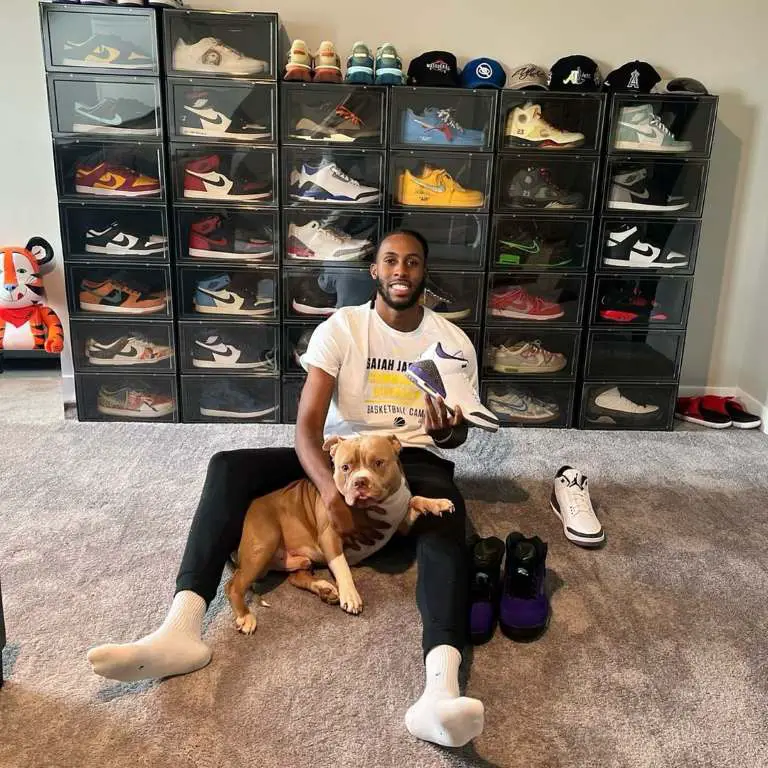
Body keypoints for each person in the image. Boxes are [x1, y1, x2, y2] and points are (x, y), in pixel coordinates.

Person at [87, 230, 485, 748]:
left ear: (423, 271)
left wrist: (444, 429)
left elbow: (458, 435)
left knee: (445, 520)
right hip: (341, 459)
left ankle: (440, 687)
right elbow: (306, 429)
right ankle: (180, 628)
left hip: (411, 458)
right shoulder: (343, 327)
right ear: (374, 270)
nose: (400, 271)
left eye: (412, 262)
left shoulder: (451, 343)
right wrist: (329, 492)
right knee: (228, 466)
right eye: (390, 260)